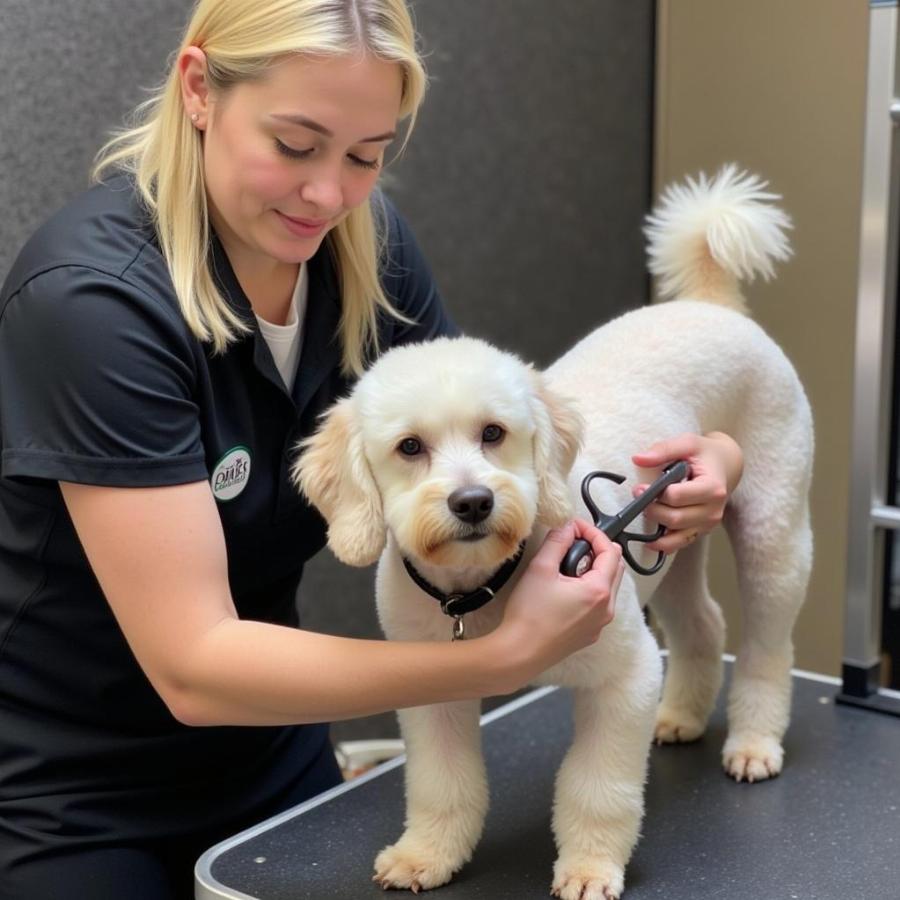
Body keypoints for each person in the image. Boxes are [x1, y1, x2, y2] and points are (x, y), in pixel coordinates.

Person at [0, 1, 743, 897]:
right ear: (199, 90)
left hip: (275, 745)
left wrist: (707, 467)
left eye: (365, 155)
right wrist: (500, 660)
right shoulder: (93, 306)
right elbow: (194, 666)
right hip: (76, 789)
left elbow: (491, 457)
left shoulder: (363, 248)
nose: (329, 194)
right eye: (296, 144)